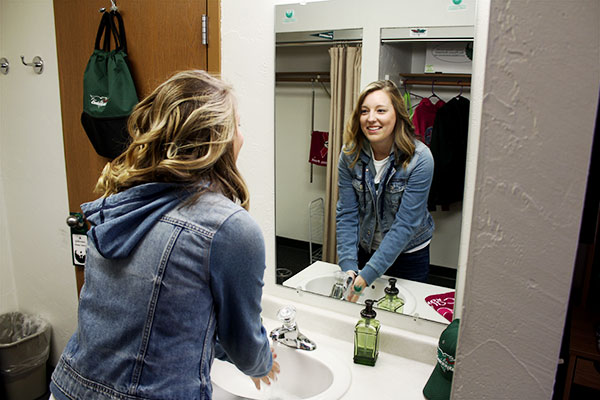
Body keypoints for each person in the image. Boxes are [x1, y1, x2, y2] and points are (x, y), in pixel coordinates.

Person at [49, 70, 279, 400]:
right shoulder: (230, 228)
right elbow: (242, 341)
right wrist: (262, 362)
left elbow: (173, 318)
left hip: (67, 387)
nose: (242, 137)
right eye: (238, 125)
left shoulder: (116, 204)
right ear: (219, 138)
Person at [336, 80, 434, 302]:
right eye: (364, 111)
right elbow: (347, 213)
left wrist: (367, 275)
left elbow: (406, 224)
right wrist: (349, 267)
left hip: (409, 255)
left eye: (381, 110)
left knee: (406, 319)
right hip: (366, 249)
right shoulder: (349, 155)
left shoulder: (420, 159)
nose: (371, 118)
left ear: (397, 115)